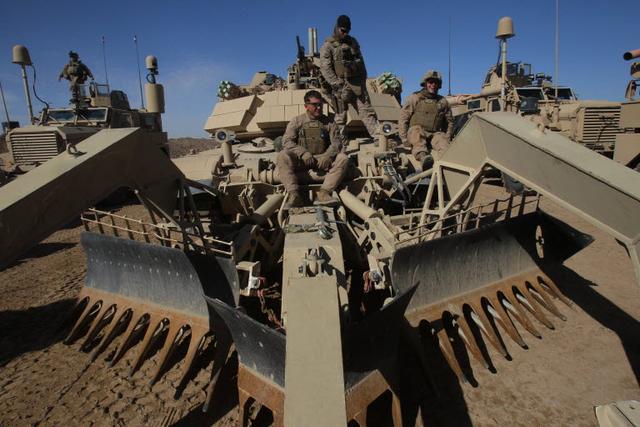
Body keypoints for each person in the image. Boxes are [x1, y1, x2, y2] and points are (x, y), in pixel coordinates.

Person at [276, 90, 349, 208]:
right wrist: (303, 153)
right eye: (315, 105)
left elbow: (336, 143)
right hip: (302, 160)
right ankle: (294, 194)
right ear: (306, 106)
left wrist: (328, 156)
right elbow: (287, 141)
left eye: (320, 104)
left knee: (343, 158)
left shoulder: (329, 122)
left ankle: (324, 193)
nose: (319, 107)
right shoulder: (297, 121)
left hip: (322, 160)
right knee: (283, 155)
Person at [319, 15, 378, 139]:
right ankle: (341, 146)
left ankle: (379, 138)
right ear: (337, 27)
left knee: (367, 112)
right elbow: (326, 68)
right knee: (340, 118)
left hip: (356, 85)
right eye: (343, 30)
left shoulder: (353, 42)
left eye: (348, 31)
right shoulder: (328, 46)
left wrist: (362, 81)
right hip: (339, 87)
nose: (345, 33)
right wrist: (337, 85)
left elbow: (361, 63)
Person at [399, 70, 453, 169]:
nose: (433, 85)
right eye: (430, 82)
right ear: (425, 83)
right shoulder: (414, 98)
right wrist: (403, 138)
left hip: (434, 134)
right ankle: (423, 158)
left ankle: (445, 164)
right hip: (417, 133)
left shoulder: (443, 102)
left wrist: (447, 136)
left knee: (443, 141)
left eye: (436, 83)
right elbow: (403, 118)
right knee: (417, 131)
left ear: (439, 85)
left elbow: (449, 122)